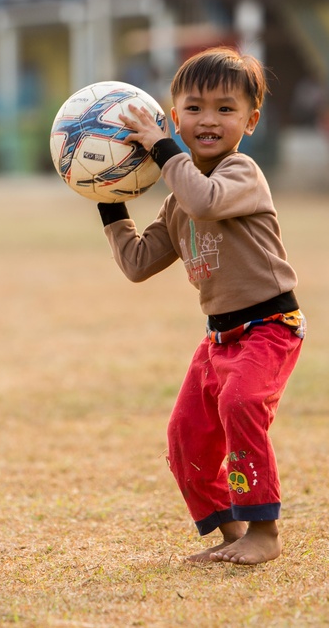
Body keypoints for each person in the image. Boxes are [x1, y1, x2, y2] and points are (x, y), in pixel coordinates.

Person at [97, 47, 305, 565]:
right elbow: (138, 262)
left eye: (225, 108)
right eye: (193, 108)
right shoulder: (176, 203)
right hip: (219, 338)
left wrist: (165, 151)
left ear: (250, 121)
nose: (208, 119)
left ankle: (264, 531)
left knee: (239, 405)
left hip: (269, 326)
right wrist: (107, 197)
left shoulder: (241, 173)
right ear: (174, 115)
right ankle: (231, 531)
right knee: (185, 435)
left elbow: (205, 199)